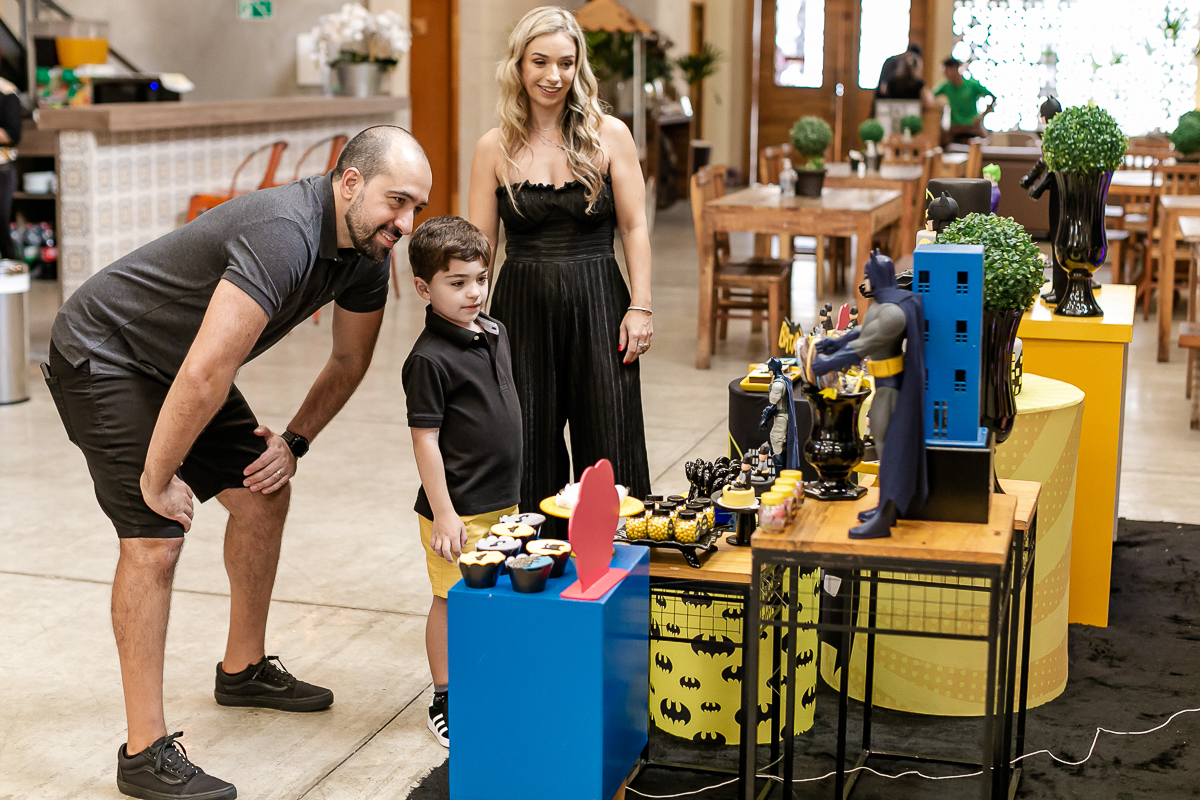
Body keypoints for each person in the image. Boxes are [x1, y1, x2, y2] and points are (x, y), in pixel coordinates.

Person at [42, 126, 432, 800]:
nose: (405, 223)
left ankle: (243, 669)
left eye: (416, 208)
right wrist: (156, 479)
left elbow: (349, 360)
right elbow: (205, 373)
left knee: (262, 491)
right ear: (350, 183)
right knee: (154, 540)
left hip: (182, 364)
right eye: (396, 201)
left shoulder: (369, 253)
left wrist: (294, 442)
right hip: (106, 353)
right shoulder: (285, 233)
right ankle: (143, 752)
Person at [468, 6, 652, 530]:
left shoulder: (610, 135)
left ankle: (616, 556)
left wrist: (640, 305)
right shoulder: (493, 147)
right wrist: (469, 323)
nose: (554, 75)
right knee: (528, 442)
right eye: (540, 62)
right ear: (519, 66)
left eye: (566, 63)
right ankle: (537, 562)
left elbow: (634, 225)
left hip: (601, 300)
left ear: (578, 66)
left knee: (611, 436)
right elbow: (480, 247)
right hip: (520, 309)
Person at [401, 215, 522, 749]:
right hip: (458, 509)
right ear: (424, 288)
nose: (474, 292)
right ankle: (445, 696)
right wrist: (445, 514)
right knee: (450, 599)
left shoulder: (494, 332)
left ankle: (487, 680)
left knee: (494, 595)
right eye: (458, 282)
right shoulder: (428, 359)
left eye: (481, 278)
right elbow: (425, 441)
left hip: (503, 500)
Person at [935, 56, 995, 144]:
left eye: (946, 71)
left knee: (984, 142)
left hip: (972, 125)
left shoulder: (971, 85)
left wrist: (982, 115)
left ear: (954, 68)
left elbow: (992, 96)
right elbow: (931, 96)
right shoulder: (946, 86)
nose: (945, 74)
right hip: (955, 126)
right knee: (943, 142)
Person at [0, 76, 22, 261]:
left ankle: (11, 267)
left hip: (1, 169)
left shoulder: (6, 91)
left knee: (1, 228)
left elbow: (12, 134)